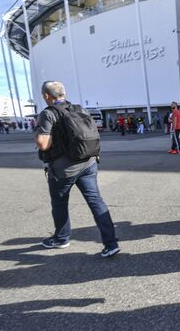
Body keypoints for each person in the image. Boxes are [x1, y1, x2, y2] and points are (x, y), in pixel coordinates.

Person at [35, 81, 119, 257]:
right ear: (63, 93)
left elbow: (43, 144)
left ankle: (61, 238)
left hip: (63, 170)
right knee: (96, 201)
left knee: (59, 203)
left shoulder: (48, 113)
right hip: (88, 162)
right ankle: (111, 243)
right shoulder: (79, 109)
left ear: (46, 96)